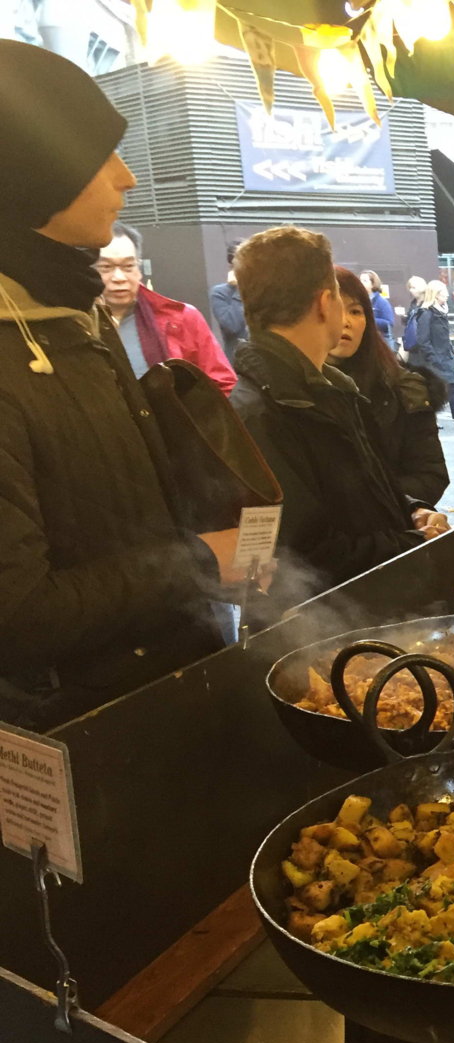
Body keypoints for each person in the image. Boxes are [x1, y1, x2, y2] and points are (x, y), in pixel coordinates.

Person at [0, 41, 229, 729]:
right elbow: (20, 615)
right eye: (102, 156)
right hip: (83, 734)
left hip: (163, 691)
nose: (126, 178)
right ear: (36, 170)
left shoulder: (72, 318)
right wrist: (197, 562)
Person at [229, 226, 448, 606]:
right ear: (323, 302)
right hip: (327, 634)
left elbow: (359, 501)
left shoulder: (331, 391)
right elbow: (306, 553)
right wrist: (413, 541)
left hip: (374, 610)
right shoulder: (262, 410)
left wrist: (409, 510)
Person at [330, 266, 448, 507]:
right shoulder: (291, 389)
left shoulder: (403, 387)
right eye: (334, 310)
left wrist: (369, 503)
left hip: (393, 532)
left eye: (355, 311)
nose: (346, 322)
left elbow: (430, 476)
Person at [95, 222, 236, 393]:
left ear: (139, 269)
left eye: (128, 266)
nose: (119, 277)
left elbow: (223, 385)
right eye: (106, 267)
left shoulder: (182, 317)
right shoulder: (73, 323)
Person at [410, 279, 454, 428]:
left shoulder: (441, 311)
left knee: (452, 384)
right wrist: (433, 358)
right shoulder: (426, 313)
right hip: (435, 358)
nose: (447, 295)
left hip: (445, 356)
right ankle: (435, 418)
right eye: (443, 292)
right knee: (436, 388)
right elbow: (423, 339)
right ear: (436, 295)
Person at [209, 239, 247, 365]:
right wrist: (239, 290)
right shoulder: (220, 293)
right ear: (232, 264)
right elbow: (232, 326)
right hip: (239, 365)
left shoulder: (262, 290)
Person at [360, 269, 395, 344]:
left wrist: (369, 320)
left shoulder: (382, 302)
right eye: (360, 280)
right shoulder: (357, 301)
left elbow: (389, 323)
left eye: (365, 281)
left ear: (373, 284)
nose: (361, 283)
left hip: (378, 342)